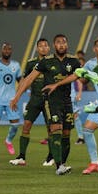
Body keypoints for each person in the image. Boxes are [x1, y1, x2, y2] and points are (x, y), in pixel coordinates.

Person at [42, 38, 98, 177]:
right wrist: (57, 84)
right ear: (94, 49)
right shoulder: (90, 64)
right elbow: (77, 76)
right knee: (87, 130)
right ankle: (95, 163)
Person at [10, 34, 81, 175]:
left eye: (64, 42)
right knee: (55, 129)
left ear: (67, 45)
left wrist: (58, 84)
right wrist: (16, 97)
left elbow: (77, 76)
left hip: (67, 101)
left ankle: (62, 163)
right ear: (54, 46)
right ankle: (59, 166)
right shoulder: (46, 62)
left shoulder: (74, 61)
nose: (61, 45)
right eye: (58, 43)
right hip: (51, 101)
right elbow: (29, 78)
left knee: (66, 134)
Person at [9, 38, 54, 166]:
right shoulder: (31, 63)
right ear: (37, 48)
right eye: (41, 46)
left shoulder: (53, 62)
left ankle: (50, 157)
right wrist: (16, 97)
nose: (43, 48)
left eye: (46, 46)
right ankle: (21, 157)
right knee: (26, 126)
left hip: (49, 100)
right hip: (34, 99)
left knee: (50, 129)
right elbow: (24, 81)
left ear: (49, 48)